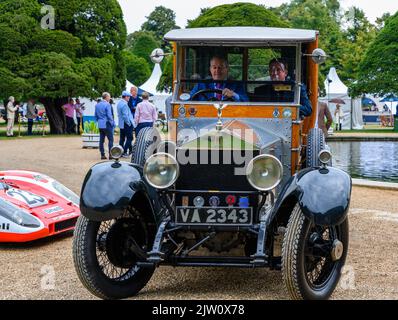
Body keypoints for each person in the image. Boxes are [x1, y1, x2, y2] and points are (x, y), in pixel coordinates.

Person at [95, 92, 115, 160]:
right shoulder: (108, 104)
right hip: (107, 123)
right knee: (111, 139)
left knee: (101, 140)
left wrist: (99, 121)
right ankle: (111, 155)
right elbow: (109, 115)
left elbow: (96, 115)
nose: (110, 98)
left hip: (100, 124)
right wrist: (112, 123)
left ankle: (102, 154)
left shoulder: (97, 105)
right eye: (109, 97)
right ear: (106, 97)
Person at [117, 91, 135, 157]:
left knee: (122, 138)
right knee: (130, 138)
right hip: (126, 123)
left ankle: (121, 151)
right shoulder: (124, 104)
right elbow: (125, 116)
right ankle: (124, 151)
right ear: (126, 97)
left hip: (121, 123)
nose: (129, 98)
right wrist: (129, 123)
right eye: (129, 97)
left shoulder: (119, 103)